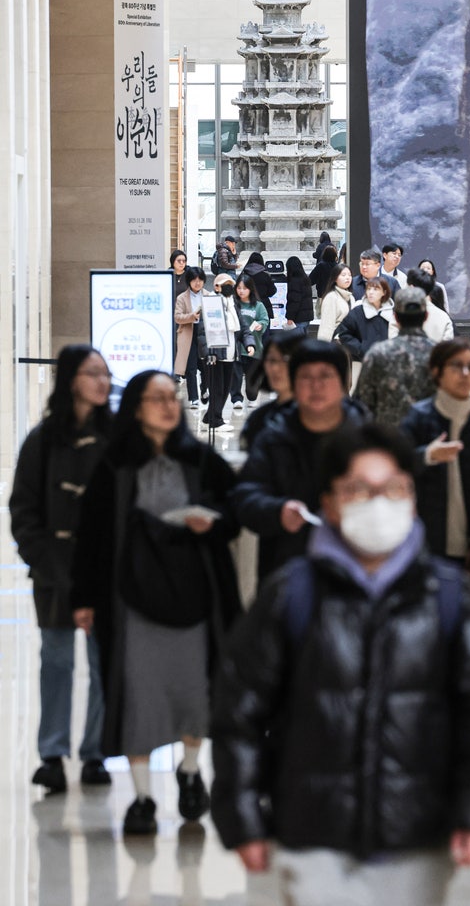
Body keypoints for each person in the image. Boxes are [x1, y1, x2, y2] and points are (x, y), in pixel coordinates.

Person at [211, 423, 470, 906]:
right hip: (313, 834)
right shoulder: (292, 594)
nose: (378, 503)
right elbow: (238, 715)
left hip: (417, 833)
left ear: (413, 498)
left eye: (394, 488)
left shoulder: (449, 596)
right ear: (329, 503)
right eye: (358, 489)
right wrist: (243, 818)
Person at [71, 370, 242, 835]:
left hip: (194, 597)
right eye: (157, 398)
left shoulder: (202, 461)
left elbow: (235, 511)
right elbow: (91, 538)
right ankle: (144, 797)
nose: (169, 406)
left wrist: (215, 524)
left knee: (193, 691)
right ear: (137, 408)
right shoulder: (114, 465)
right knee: (139, 696)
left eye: (173, 397)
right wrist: (83, 599)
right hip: (131, 601)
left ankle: (190, 771)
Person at [10, 345, 113, 793]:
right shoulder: (42, 440)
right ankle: (52, 753)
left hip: (105, 573)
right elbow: (23, 510)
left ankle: (95, 752)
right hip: (54, 571)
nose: (103, 382)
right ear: (72, 379)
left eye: (106, 374)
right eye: (94, 373)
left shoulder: (116, 440)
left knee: (101, 664)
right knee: (56, 661)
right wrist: (44, 559)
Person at [234, 339, 367, 584]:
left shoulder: (367, 438)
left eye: (325, 376)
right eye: (306, 377)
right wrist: (277, 511)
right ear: (295, 382)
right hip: (285, 568)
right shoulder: (273, 436)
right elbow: (247, 494)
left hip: (354, 569)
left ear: (343, 382)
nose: (316, 386)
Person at [400, 338, 470, 616]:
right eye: (457, 366)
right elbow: (396, 471)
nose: (465, 375)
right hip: (427, 540)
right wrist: (428, 456)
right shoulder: (420, 418)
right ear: (437, 371)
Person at [354, 287, 435, 425]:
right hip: (430, 441)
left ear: (395, 317)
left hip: (386, 440)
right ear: (426, 316)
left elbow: (361, 405)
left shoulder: (378, 353)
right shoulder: (440, 355)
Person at [198, 274, 256, 431]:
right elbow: (203, 332)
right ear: (217, 287)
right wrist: (209, 352)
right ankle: (216, 421)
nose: (229, 287)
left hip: (231, 354)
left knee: (225, 388)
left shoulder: (233, 304)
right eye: (225, 284)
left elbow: (243, 327)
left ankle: (209, 417)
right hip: (215, 355)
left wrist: (249, 343)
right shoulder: (209, 303)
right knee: (217, 388)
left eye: (231, 283)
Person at [239, 330, 306, 451]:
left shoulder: (316, 414)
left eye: (285, 359)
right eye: (272, 360)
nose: (275, 368)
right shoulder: (259, 419)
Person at [232, 273, 269, 407]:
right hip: (236, 347)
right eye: (239, 288)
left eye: (244, 288)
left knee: (251, 378)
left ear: (251, 289)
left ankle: (252, 397)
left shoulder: (258, 306)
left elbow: (265, 320)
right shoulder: (233, 304)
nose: (241, 291)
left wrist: (261, 325)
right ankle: (236, 399)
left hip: (255, 347)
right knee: (235, 376)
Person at [174, 266, 209, 407]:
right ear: (189, 281)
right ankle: (194, 398)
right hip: (188, 334)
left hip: (204, 335)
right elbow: (177, 317)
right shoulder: (182, 298)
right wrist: (191, 317)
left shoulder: (208, 295)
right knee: (190, 368)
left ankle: (204, 389)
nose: (197, 283)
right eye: (194, 280)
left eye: (200, 279)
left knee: (207, 366)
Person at [335, 277, 393, 361]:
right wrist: (360, 349)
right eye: (369, 289)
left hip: (388, 360)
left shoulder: (392, 313)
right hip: (362, 361)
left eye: (375, 289)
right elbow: (344, 333)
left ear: (384, 292)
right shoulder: (357, 311)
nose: (371, 292)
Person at [389, 268, 453, 342]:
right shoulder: (444, 317)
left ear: (411, 287)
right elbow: (447, 349)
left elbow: (392, 343)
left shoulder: (399, 314)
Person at [317, 264, 356, 341]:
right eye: (343, 275)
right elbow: (327, 326)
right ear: (335, 278)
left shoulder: (351, 297)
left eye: (349, 275)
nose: (347, 278)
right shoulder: (331, 297)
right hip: (336, 343)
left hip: (350, 342)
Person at [243, 252, 277, 321]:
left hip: (247, 307)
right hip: (264, 305)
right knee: (264, 329)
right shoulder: (265, 275)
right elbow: (272, 291)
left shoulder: (244, 275)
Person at [285, 256, 314, 332]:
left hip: (298, 318)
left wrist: (290, 317)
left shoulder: (294, 281)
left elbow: (294, 301)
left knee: (296, 342)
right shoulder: (305, 278)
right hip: (306, 317)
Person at [309, 244, 338, 309]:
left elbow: (311, 279)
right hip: (335, 294)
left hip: (322, 294)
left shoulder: (321, 265)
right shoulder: (338, 267)